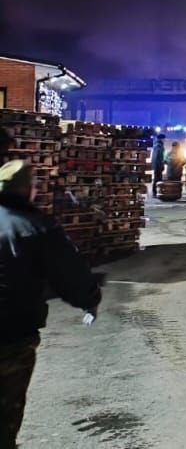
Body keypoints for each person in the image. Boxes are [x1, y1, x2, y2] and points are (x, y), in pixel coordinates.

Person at [0, 160, 101, 448]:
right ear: (28, 190)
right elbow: (69, 273)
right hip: (11, 336)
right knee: (5, 413)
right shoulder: (37, 226)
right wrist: (89, 299)